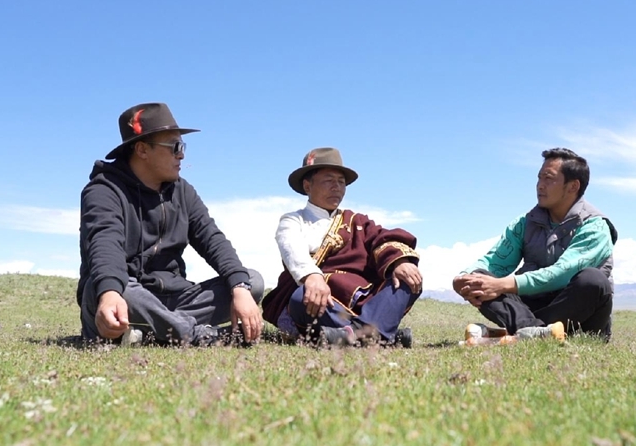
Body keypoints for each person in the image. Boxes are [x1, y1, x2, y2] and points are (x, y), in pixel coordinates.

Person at [77, 102, 264, 347]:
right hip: (125, 296)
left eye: (182, 146)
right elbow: (105, 243)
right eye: (175, 146)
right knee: (110, 286)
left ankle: (152, 332)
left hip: (175, 298)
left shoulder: (183, 191)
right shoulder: (103, 191)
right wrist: (110, 292)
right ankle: (194, 335)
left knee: (252, 281)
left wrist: (239, 286)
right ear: (142, 149)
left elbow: (212, 239)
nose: (182, 155)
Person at [452, 148, 617, 345]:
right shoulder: (525, 223)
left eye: (549, 178)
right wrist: (464, 278)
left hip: (580, 317)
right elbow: (495, 261)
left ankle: (517, 334)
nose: (540, 185)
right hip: (530, 310)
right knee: (480, 276)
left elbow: (562, 272)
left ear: (573, 186)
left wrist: (504, 284)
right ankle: (536, 334)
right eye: (539, 178)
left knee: (593, 280)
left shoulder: (595, 227)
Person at [262, 147, 422, 347]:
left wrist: (400, 262)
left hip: (365, 302)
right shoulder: (293, 220)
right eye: (329, 180)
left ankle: (357, 334)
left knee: (407, 278)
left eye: (341, 182)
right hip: (325, 299)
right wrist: (312, 276)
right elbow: (292, 249)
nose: (336, 187)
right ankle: (379, 333)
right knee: (303, 296)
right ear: (307, 186)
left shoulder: (358, 222)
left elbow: (382, 240)